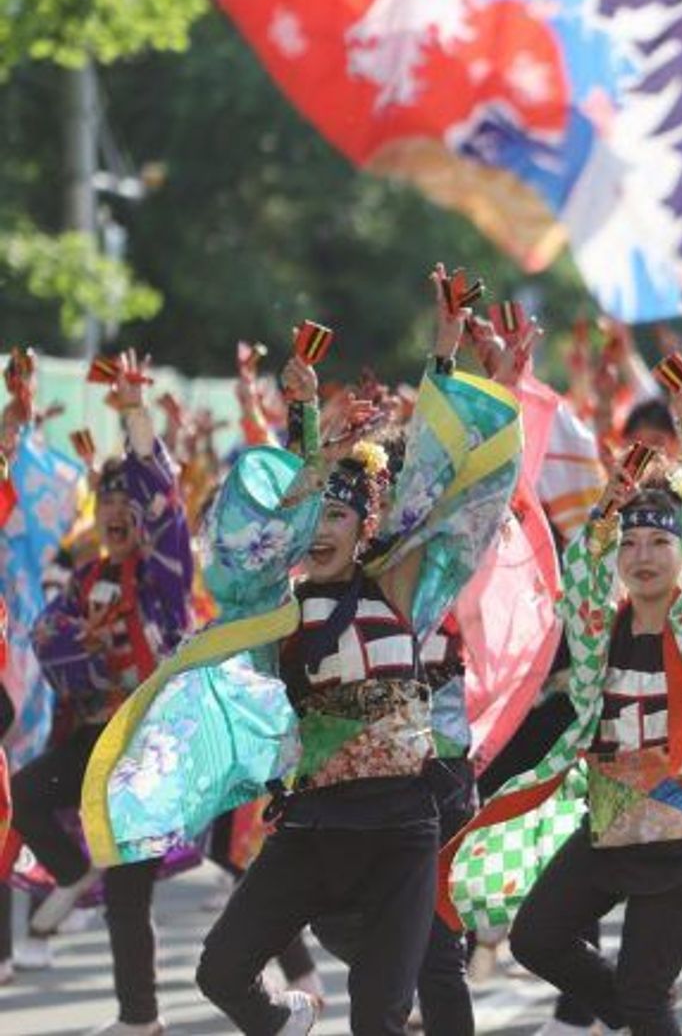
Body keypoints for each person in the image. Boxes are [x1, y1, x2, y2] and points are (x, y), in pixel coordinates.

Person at [79, 283, 522, 1036]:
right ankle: (283, 1019)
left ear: (365, 526)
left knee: (383, 1015)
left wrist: (445, 354)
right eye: (314, 515)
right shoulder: (270, 608)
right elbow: (262, 522)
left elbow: (432, 486)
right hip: (313, 823)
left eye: (339, 515)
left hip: (400, 829)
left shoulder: (400, 587)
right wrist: (305, 422)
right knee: (219, 971)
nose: (323, 528)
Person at [448, 373, 682, 1035]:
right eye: (631, 543)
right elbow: (580, 575)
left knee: (647, 990)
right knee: (537, 937)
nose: (642, 554)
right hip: (613, 815)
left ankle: (638, 1009)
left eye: (659, 541)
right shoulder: (602, 630)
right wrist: (607, 511)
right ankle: (631, 1011)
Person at [17, 351, 193, 1035]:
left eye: (129, 504)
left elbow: (170, 504)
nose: (117, 513)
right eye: (107, 503)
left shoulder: (166, 577)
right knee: (27, 791)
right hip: (96, 739)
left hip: (148, 749)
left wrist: (132, 416)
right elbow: (45, 635)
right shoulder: (88, 576)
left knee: (130, 894)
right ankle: (69, 871)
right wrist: (83, 652)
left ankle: (141, 1018)